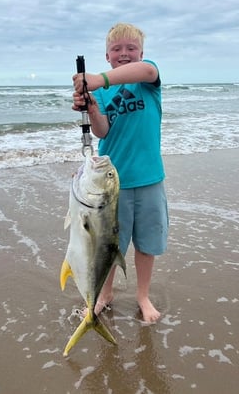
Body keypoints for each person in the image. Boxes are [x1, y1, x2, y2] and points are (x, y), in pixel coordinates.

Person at [71, 22, 168, 324]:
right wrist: (93, 108)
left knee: (147, 244)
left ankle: (142, 295)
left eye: (131, 48)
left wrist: (97, 79)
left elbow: (147, 72)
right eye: (117, 49)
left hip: (150, 178)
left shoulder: (147, 77)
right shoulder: (101, 93)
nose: (124, 54)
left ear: (142, 53)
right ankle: (105, 294)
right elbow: (103, 130)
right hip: (112, 182)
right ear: (107, 55)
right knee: (109, 244)